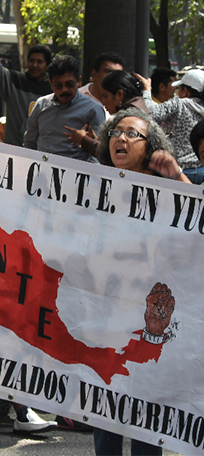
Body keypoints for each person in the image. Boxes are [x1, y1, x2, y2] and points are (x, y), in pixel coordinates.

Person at [92, 108, 189, 454]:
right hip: (105, 314)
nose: (122, 138)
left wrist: (176, 176)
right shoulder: (88, 185)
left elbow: (198, 219)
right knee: (105, 409)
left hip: (151, 316)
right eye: (117, 132)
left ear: (149, 148)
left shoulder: (167, 189)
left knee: (148, 411)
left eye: (133, 134)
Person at [24, 55, 105, 162]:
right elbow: (30, 142)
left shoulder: (93, 109)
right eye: (58, 85)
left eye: (69, 84)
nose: (64, 90)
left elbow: (97, 154)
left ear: (79, 81)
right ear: (50, 83)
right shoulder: (41, 104)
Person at [0, 31, 53, 146]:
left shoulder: (54, 87)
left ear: (47, 65)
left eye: (39, 62)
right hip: (16, 148)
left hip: (43, 150)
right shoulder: (14, 80)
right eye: (32, 61)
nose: (35, 65)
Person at [139, 69, 204, 184]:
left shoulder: (179, 104)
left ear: (186, 91)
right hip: (201, 170)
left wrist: (147, 91)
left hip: (178, 170)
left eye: (179, 89)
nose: (177, 92)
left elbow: (150, 113)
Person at [65, 70, 147, 158]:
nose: (103, 102)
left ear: (120, 94)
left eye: (105, 96)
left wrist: (83, 140)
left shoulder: (132, 118)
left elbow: (114, 155)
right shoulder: (140, 107)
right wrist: (96, 140)